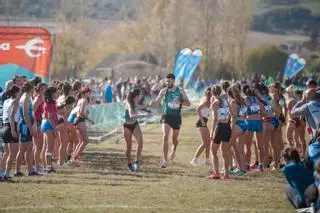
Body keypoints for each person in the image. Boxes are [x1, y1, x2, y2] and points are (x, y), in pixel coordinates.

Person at [150, 73, 191, 168]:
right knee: (165, 136)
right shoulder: (164, 91)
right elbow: (156, 101)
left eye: (169, 81)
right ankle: (165, 160)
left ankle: (174, 150)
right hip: (166, 116)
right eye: (166, 81)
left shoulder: (180, 90)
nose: (167, 83)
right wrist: (152, 103)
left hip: (176, 117)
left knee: (174, 139)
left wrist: (180, 101)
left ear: (173, 81)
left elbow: (188, 103)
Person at [207, 85, 231, 180]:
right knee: (225, 153)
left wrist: (212, 131)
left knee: (213, 151)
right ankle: (226, 174)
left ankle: (216, 173)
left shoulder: (214, 103)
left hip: (219, 127)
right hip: (227, 127)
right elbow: (230, 115)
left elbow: (215, 119)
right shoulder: (226, 101)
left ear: (212, 93)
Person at [15, 82, 39, 176]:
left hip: (28, 124)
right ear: (31, 88)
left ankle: (30, 170)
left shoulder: (28, 97)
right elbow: (25, 115)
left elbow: (31, 113)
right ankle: (17, 171)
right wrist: (30, 128)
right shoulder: (25, 98)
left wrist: (34, 124)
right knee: (22, 149)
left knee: (29, 149)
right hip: (25, 125)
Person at [123, 89, 150, 171]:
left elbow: (140, 106)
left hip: (135, 125)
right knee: (129, 148)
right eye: (140, 95)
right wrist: (145, 116)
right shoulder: (128, 103)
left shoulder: (134, 102)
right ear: (137, 96)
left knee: (140, 142)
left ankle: (136, 162)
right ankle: (129, 163)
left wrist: (148, 105)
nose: (141, 97)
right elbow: (132, 115)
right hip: (127, 126)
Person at [227, 85, 247, 174]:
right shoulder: (242, 100)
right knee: (241, 149)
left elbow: (234, 117)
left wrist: (231, 128)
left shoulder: (233, 102)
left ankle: (229, 168)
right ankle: (243, 170)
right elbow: (245, 114)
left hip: (237, 125)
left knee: (226, 146)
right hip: (245, 124)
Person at [1, 86, 20, 180]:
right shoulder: (15, 101)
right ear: (16, 93)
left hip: (4, 126)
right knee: (12, 153)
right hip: (11, 126)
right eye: (19, 93)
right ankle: (6, 174)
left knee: (6, 153)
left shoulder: (6, 101)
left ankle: (1, 173)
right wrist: (13, 129)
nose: (20, 95)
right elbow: (12, 116)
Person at [190, 87, 212, 166]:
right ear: (207, 94)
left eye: (211, 94)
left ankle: (206, 160)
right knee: (205, 143)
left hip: (204, 122)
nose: (211, 95)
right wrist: (202, 120)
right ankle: (194, 160)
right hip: (201, 123)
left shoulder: (209, 101)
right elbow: (198, 109)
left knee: (208, 142)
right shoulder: (205, 101)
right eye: (209, 94)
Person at [71, 86, 93, 161]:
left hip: (76, 121)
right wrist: (90, 120)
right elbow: (81, 112)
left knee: (81, 141)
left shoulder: (80, 100)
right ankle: (75, 156)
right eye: (89, 92)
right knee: (85, 141)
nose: (90, 94)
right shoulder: (84, 100)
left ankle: (74, 156)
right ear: (85, 93)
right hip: (80, 120)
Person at [41, 87, 59, 173]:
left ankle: (47, 166)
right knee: (49, 147)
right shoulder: (49, 103)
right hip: (49, 126)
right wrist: (54, 128)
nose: (57, 94)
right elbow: (50, 117)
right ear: (52, 94)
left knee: (46, 147)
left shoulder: (50, 103)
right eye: (56, 93)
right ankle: (48, 167)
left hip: (47, 125)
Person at [33, 83, 47, 173]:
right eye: (43, 89)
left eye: (45, 89)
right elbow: (32, 111)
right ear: (39, 89)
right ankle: (36, 166)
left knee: (39, 146)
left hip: (40, 122)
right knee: (38, 146)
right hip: (37, 124)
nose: (44, 90)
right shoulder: (38, 98)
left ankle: (37, 165)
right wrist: (34, 123)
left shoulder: (42, 98)